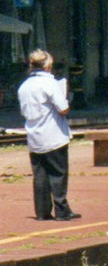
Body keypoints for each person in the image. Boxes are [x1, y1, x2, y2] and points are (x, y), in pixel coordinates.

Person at [17, 49, 80, 221]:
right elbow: (63, 108)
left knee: (40, 176)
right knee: (58, 173)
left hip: (34, 136)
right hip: (53, 135)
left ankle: (42, 212)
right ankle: (62, 210)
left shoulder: (24, 86)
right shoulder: (50, 84)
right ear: (48, 65)